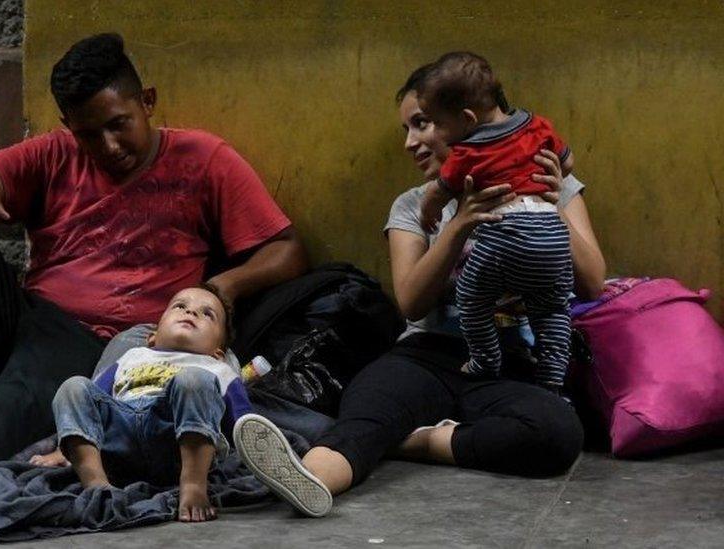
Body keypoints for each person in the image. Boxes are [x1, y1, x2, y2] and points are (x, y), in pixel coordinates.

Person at [0, 33, 307, 522]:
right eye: (88, 133)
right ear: (68, 125)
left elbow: (286, 251)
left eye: (119, 124)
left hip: (99, 353)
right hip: (22, 329)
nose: (107, 146)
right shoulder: (54, 154)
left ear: (147, 102)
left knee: (16, 406)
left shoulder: (204, 160)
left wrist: (221, 288)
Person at [234, 60, 605, 517]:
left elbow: (592, 282)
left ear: (465, 119)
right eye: (406, 128)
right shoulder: (414, 205)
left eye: (422, 124)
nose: (410, 142)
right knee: (366, 411)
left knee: (558, 432)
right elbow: (411, 302)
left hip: (509, 365)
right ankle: (311, 478)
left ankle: (420, 441)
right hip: (427, 356)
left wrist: (549, 203)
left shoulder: (552, 182)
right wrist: (459, 225)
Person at [416, 52, 575, 392]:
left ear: (467, 118)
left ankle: (485, 359)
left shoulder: (469, 151)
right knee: (553, 311)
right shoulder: (539, 126)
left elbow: (439, 191)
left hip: (506, 235)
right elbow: (569, 161)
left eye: (438, 124)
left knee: (472, 297)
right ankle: (552, 379)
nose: (436, 134)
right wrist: (552, 181)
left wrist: (428, 212)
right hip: (552, 234)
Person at [31, 285, 250, 522]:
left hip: (173, 443)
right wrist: (61, 451)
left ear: (218, 352)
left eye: (207, 314)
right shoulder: (132, 357)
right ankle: (97, 486)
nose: (191, 313)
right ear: (152, 337)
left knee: (194, 380)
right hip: (117, 444)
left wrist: (263, 453)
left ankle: (194, 486)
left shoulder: (218, 369)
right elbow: (90, 403)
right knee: (74, 386)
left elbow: (247, 425)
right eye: (180, 306)